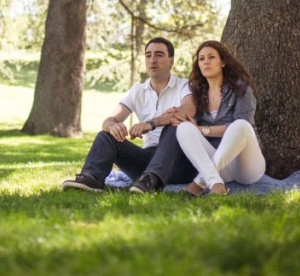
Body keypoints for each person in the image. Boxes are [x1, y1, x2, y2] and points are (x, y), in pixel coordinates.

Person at [61, 37, 192, 193]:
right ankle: (91, 179)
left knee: (175, 126)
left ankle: (152, 181)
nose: (152, 60)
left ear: (171, 61)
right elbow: (108, 121)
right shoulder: (137, 91)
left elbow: (187, 111)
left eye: (159, 55)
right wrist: (114, 126)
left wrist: (151, 123)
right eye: (148, 55)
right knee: (105, 135)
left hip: (178, 161)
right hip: (147, 162)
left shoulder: (184, 85)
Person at [172, 40, 266, 196]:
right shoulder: (198, 94)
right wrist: (174, 113)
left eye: (211, 57)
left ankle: (199, 183)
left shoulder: (241, 89)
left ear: (223, 62)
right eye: (201, 59)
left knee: (240, 125)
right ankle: (216, 183)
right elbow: (186, 118)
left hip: (247, 166)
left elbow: (242, 127)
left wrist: (202, 130)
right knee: (184, 128)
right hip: (220, 169)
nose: (206, 62)